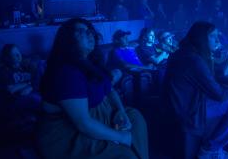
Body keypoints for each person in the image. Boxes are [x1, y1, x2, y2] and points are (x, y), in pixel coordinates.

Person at [35, 18, 149, 159]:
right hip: (67, 132)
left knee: (135, 119)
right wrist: (122, 137)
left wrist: (121, 111)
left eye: (90, 31)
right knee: (124, 155)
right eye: (81, 31)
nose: (89, 34)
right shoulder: (66, 71)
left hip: (99, 113)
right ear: (67, 39)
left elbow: (110, 90)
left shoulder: (91, 62)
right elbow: (83, 123)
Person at [163, 21, 228, 158]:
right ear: (201, 38)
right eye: (213, 36)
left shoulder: (184, 53)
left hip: (183, 105)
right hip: (189, 111)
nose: (218, 40)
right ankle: (210, 149)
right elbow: (218, 94)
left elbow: (210, 80)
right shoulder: (194, 60)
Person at [0, 44, 42, 117]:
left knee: (41, 65)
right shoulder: (3, 71)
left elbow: (35, 82)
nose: (19, 56)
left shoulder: (24, 68)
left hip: (30, 93)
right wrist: (29, 84)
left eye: (18, 53)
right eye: (14, 54)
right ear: (7, 58)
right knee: (37, 99)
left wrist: (30, 86)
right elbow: (11, 89)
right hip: (15, 101)